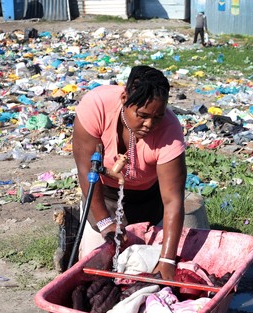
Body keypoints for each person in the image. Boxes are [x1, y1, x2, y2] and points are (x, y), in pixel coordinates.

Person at [72, 65, 187, 281]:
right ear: (124, 98)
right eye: (142, 115)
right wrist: (105, 223)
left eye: (157, 117)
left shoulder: (170, 131)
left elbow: (172, 200)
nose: (149, 124)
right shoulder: (96, 106)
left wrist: (167, 261)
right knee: (95, 268)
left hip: (147, 200)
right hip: (101, 194)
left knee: (143, 265)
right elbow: (86, 168)